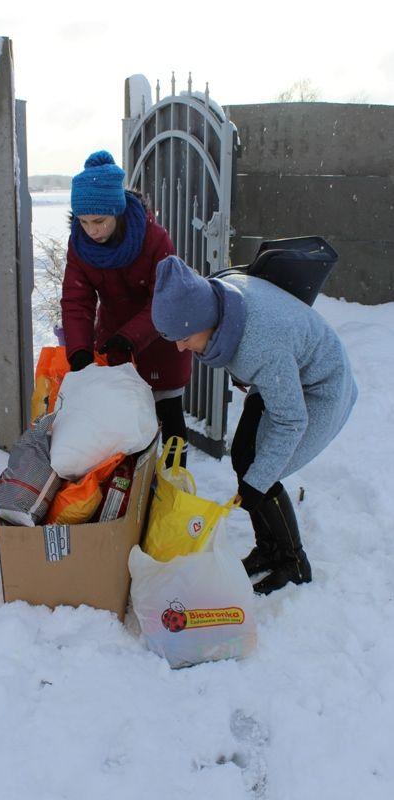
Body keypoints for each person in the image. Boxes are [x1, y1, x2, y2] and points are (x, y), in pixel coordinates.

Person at [151, 254, 358, 594]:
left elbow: (291, 421)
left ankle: (293, 562)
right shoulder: (220, 297)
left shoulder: (257, 347)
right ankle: (269, 549)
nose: (179, 346)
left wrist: (257, 484)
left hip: (323, 386)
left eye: (184, 336)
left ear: (205, 320)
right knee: (244, 456)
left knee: (264, 470)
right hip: (285, 373)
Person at [61, 150, 192, 465]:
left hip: (161, 340)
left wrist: (130, 337)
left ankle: (173, 493)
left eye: (99, 221)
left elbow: (165, 299)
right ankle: (133, 498)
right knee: (122, 426)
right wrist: (79, 350)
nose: (91, 230)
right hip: (115, 344)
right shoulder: (80, 245)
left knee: (169, 418)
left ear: (117, 212)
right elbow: (76, 299)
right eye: (83, 221)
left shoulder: (154, 240)